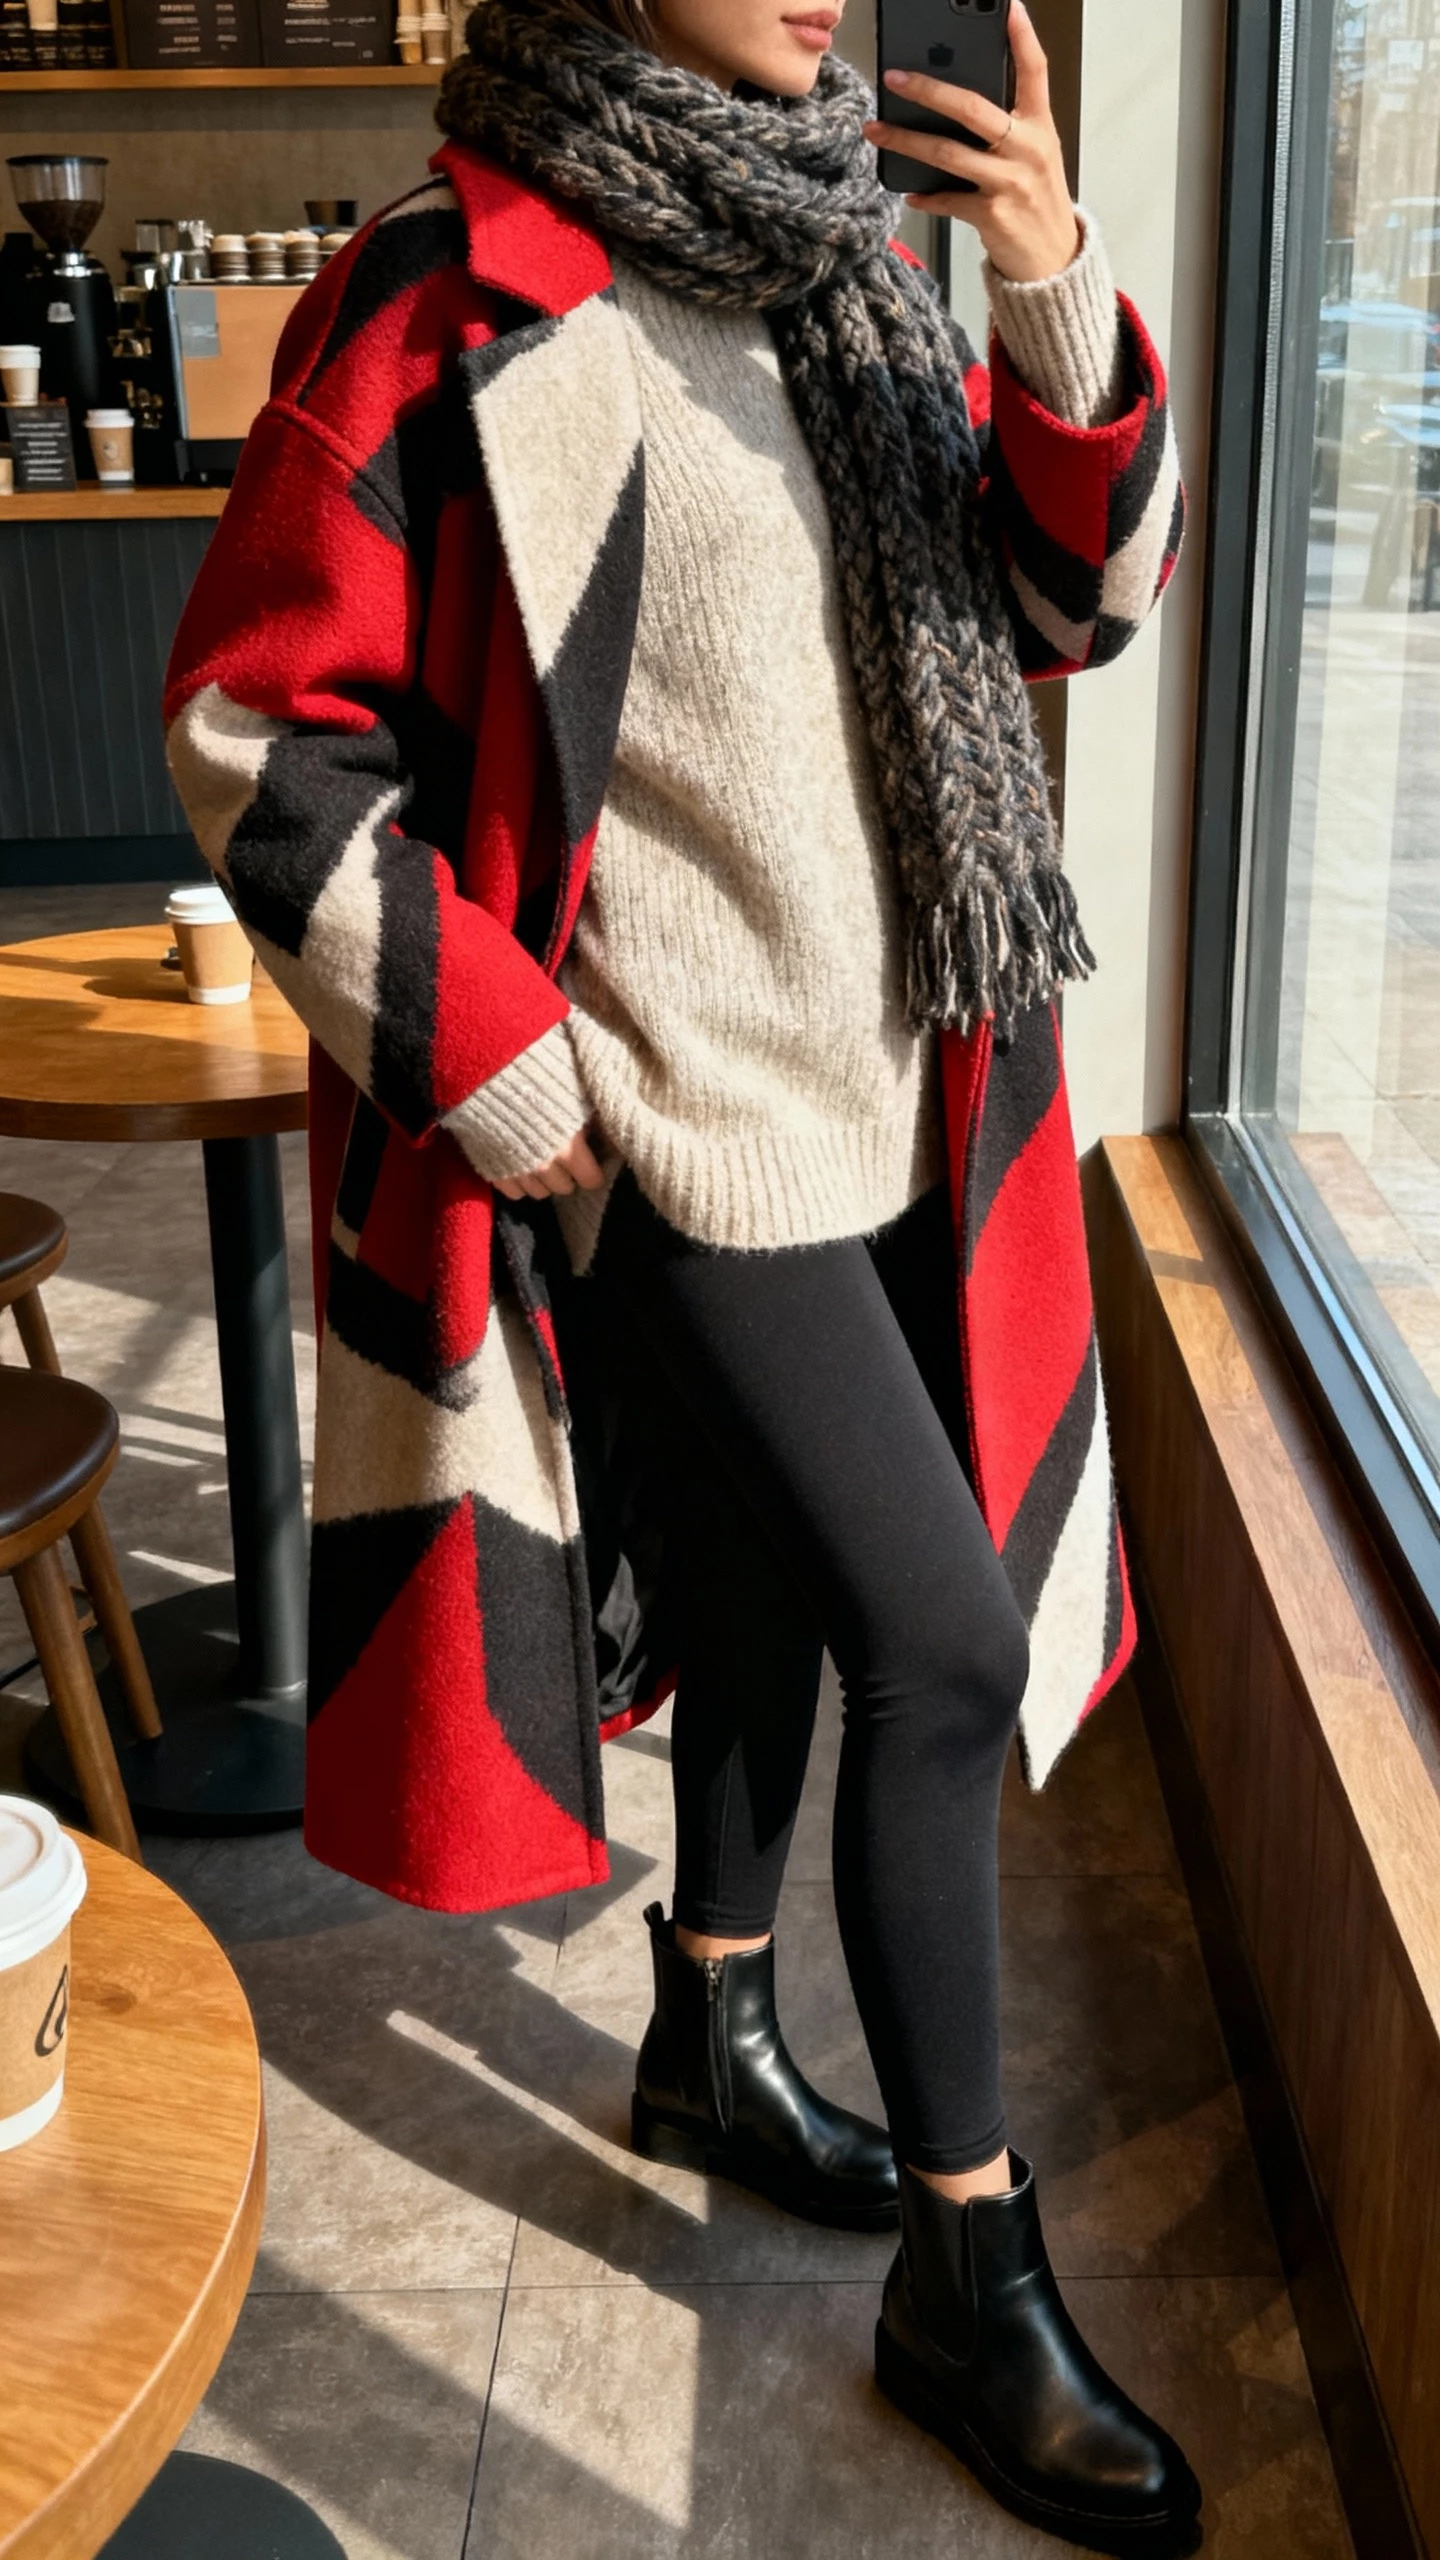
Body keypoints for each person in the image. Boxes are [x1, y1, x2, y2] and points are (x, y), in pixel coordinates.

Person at [164, 1, 1199, 2548]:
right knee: (939, 1651)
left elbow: (1074, 610)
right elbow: (247, 738)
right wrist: (523, 1076)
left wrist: (1050, 276)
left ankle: (707, 2032)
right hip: (666, 1118)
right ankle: (972, 2263)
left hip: (902, 1077)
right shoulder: (455, 287)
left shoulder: (851, 252)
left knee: (753, 1594)